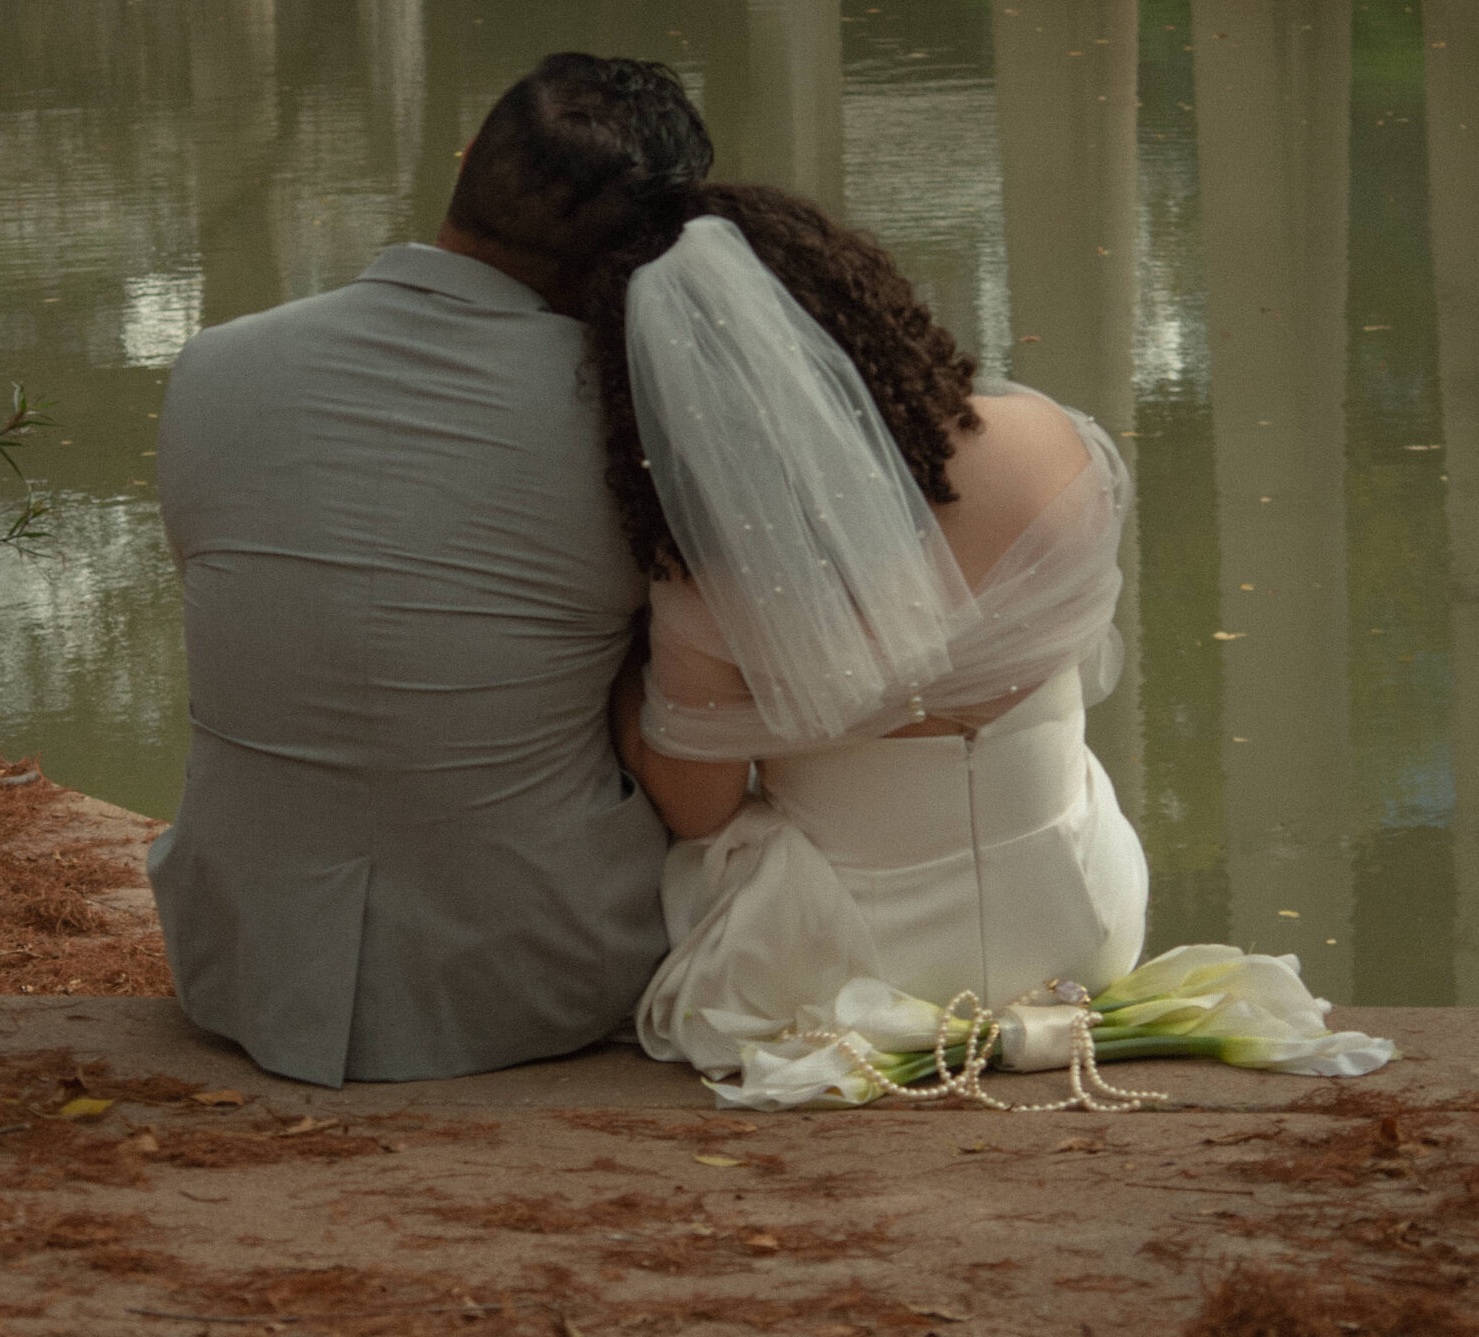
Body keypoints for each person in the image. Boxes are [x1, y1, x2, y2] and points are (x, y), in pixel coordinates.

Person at [150, 54, 713, 1087]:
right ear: (648, 252)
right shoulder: (629, 424)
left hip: (242, 961)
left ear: (462, 166)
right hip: (536, 975)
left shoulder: (214, 367)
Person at [584, 183, 1149, 1074]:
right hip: (1084, 924)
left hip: (855, 976)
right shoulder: (1051, 443)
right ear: (861, 303)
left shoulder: (711, 581)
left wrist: (622, 687)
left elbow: (698, 812)